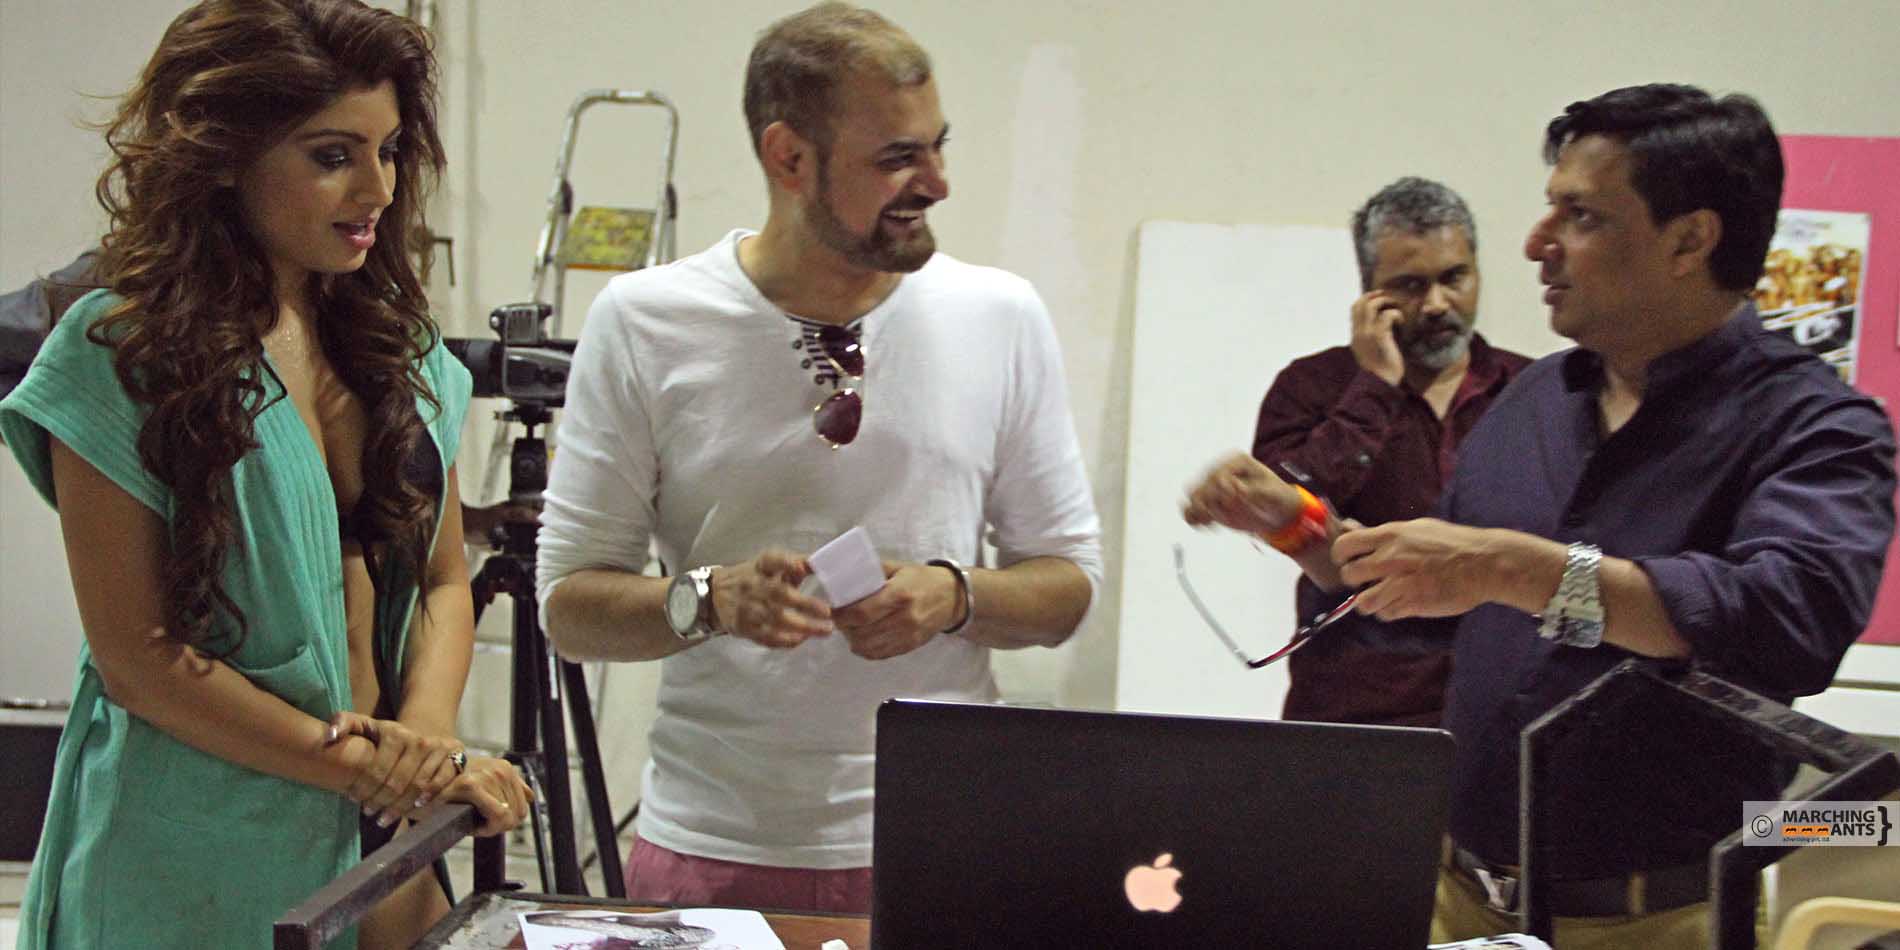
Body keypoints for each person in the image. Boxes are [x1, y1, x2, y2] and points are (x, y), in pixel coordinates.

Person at [1185, 84, 1896, 948]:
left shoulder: (1817, 425)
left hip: (1651, 923)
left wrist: (1520, 570)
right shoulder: (1537, 400)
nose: (1535, 243)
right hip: (1455, 894)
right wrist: (1299, 528)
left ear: (1689, 240)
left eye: (1581, 215)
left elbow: (1784, 619)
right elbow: (1436, 604)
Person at [535, 1, 1102, 915]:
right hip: (714, 848)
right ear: (789, 157)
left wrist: (953, 595)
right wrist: (712, 601)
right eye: (897, 157)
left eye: (938, 146)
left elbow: (1068, 587)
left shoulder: (1001, 316)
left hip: (942, 839)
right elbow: (569, 608)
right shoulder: (644, 323)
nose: (937, 183)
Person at [0, 2, 534, 947]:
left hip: (376, 835)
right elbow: (140, 660)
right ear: (221, 156)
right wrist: (375, 767)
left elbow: (444, 580)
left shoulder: (398, 348)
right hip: (188, 856)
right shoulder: (119, 353)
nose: (377, 188)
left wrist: (424, 742)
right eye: (333, 156)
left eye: (390, 150)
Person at [1248, 177, 1530, 726]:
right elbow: (1281, 506)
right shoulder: (1311, 388)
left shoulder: (1535, 391)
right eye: (1410, 286)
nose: (1437, 304)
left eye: (1454, 278)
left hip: (1505, 704)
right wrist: (1375, 386)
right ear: (1369, 293)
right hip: (1359, 707)